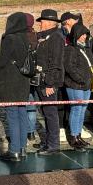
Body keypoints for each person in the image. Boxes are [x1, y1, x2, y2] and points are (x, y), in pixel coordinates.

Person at [0, 12, 33, 162]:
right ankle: (23, 148)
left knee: (12, 115)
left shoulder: (10, 39)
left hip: (11, 81)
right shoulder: (26, 38)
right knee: (21, 113)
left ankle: (14, 150)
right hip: (23, 81)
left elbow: (1, 61)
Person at [34, 9, 65, 155]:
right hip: (42, 80)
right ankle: (48, 141)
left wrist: (50, 84)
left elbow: (56, 62)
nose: (40, 23)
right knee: (46, 113)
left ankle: (53, 145)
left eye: (42, 21)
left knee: (51, 113)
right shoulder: (45, 36)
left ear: (49, 23)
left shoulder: (56, 37)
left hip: (48, 82)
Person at [63, 23, 93, 150]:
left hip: (86, 84)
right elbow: (70, 67)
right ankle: (73, 136)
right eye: (81, 34)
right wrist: (80, 79)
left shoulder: (87, 48)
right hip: (75, 84)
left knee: (82, 110)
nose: (84, 37)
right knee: (76, 109)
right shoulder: (70, 49)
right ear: (76, 35)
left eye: (85, 34)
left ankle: (78, 135)